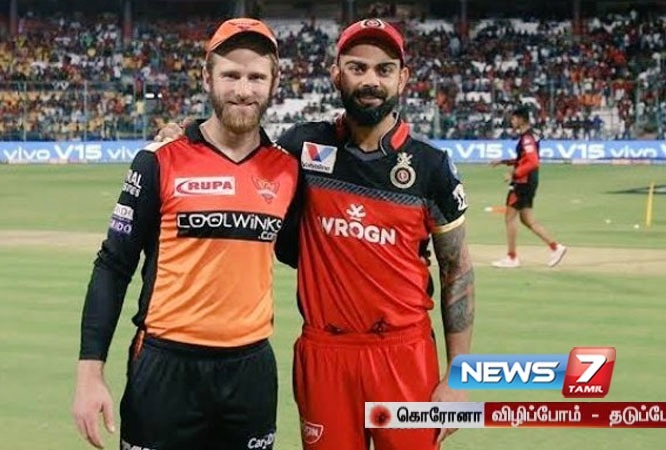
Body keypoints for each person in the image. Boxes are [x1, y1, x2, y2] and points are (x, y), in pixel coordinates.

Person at [156, 18, 475, 450]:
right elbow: (238, 145)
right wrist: (187, 133)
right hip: (325, 353)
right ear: (336, 74)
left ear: (402, 78)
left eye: (383, 70)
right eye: (357, 67)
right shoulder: (303, 146)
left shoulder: (431, 167)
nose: (370, 80)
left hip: (404, 353)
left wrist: (458, 377)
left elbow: (457, 270)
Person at [72, 18, 299, 450]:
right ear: (207, 77)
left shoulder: (287, 168)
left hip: (250, 371)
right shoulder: (159, 160)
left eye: (256, 77)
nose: (243, 90)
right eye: (230, 75)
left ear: (274, 82)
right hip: (166, 368)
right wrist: (89, 374)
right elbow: (113, 266)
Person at [490, 106, 567, 268]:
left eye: (513, 118)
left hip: (523, 182)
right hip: (528, 181)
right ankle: (556, 247)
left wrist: (514, 174)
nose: (511, 121)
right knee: (527, 219)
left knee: (510, 217)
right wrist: (505, 161)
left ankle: (512, 257)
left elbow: (532, 162)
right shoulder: (531, 136)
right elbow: (524, 159)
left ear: (520, 119)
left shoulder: (527, 138)